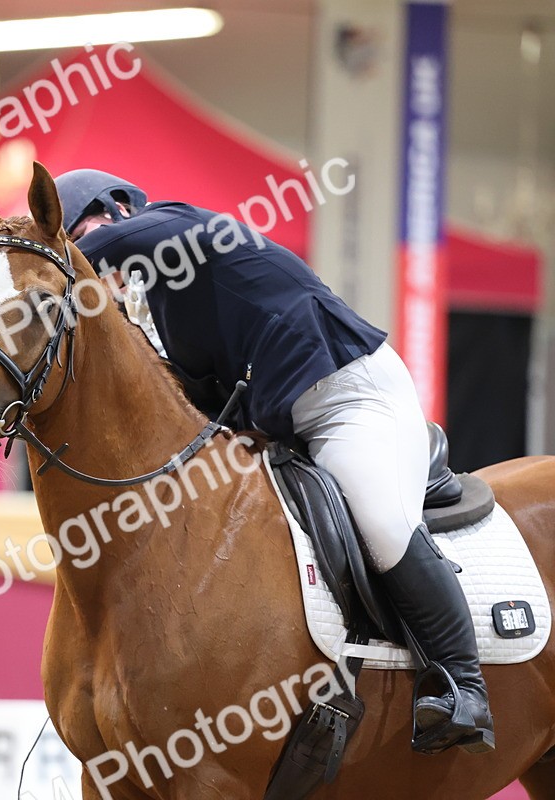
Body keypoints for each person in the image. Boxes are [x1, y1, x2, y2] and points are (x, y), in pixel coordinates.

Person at [53, 168, 493, 754]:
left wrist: (42, 255)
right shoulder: (160, 313)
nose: (89, 264)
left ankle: (462, 685)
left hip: (350, 395)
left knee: (383, 525)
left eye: (83, 236)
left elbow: (101, 249)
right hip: (286, 424)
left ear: (118, 212)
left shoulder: (179, 231)